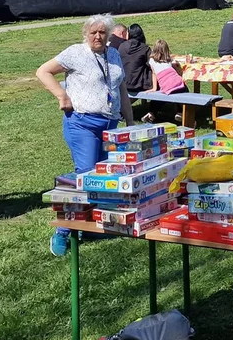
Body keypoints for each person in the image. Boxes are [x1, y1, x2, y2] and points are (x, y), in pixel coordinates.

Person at [37, 15, 133, 255]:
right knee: (85, 175)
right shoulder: (75, 53)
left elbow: (120, 87)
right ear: (86, 34)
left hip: (110, 124)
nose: (98, 37)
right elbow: (43, 72)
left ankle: (88, 224)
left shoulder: (113, 54)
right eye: (93, 33)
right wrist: (62, 96)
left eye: (102, 32)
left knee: (103, 176)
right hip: (82, 124)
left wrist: (130, 121)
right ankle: (62, 230)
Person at [120, 23, 152, 95]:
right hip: (139, 85)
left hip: (123, 83)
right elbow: (152, 64)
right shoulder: (145, 48)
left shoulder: (122, 46)